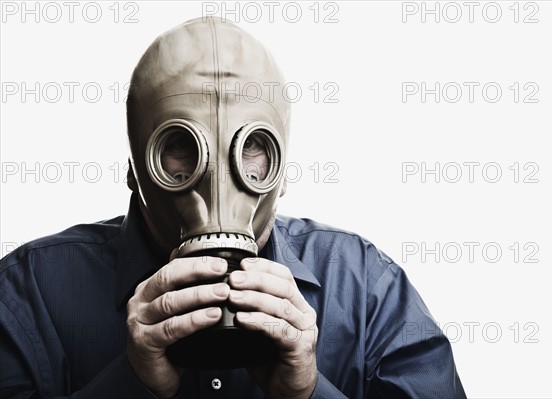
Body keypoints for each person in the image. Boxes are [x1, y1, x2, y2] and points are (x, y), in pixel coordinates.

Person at [0, 17, 466, 398]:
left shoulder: (368, 290)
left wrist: (306, 391)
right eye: (181, 147)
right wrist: (130, 384)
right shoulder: (29, 293)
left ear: (280, 172)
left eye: (250, 148)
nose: (217, 181)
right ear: (134, 169)